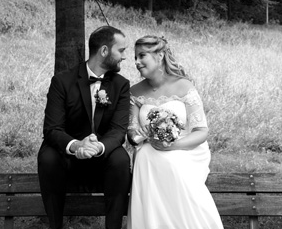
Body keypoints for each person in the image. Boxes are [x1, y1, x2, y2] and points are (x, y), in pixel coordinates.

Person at [38, 26, 132, 229]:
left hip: (101, 155)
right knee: (48, 157)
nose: (124, 57)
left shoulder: (121, 85)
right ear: (105, 51)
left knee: (121, 159)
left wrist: (98, 147)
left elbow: (118, 130)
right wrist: (76, 145)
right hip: (68, 155)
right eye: (121, 50)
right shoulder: (62, 81)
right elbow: (52, 129)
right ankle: (55, 225)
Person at [126, 35, 224, 229]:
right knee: (144, 153)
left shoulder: (184, 86)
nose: (136, 62)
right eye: (135, 57)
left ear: (160, 55)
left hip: (186, 150)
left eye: (142, 56)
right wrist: (141, 134)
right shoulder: (134, 92)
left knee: (169, 160)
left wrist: (171, 145)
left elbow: (201, 132)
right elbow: (131, 135)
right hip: (150, 148)